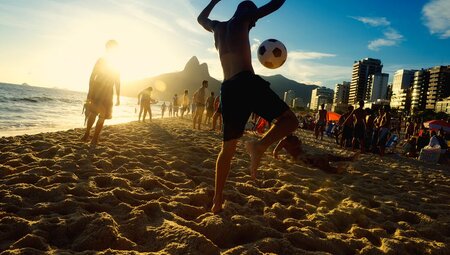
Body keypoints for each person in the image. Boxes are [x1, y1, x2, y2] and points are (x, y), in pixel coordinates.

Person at [198, 0, 298, 213]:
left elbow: (200, 19)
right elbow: (275, 4)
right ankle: (259, 146)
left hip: (228, 89)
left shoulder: (218, 27)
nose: (253, 25)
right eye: (254, 21)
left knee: (227, 148)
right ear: (249, 14)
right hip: (246, 82)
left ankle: (217, 202)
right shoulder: (243, 19)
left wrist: (215, 0)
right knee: (290, 121)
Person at [81, 40, 120, 145]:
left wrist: (118, 97)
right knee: (96, 113)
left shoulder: (112, 62)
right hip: (99, 90)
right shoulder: (102, 60)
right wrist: (90, 91)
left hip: (104, 91)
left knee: (100, 114)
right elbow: (93, 76)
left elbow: (117, 81)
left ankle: (92, 136)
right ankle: (89, 134)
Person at [273, 134, 358, 174]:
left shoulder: (294, 137)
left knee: (326, 156)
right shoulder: (283, 141)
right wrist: (280, 159)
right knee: (318, 161)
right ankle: (335, 170)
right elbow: (275, 151)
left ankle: (349, 159)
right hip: (300, 158)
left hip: (305, 154)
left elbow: (299, 145)